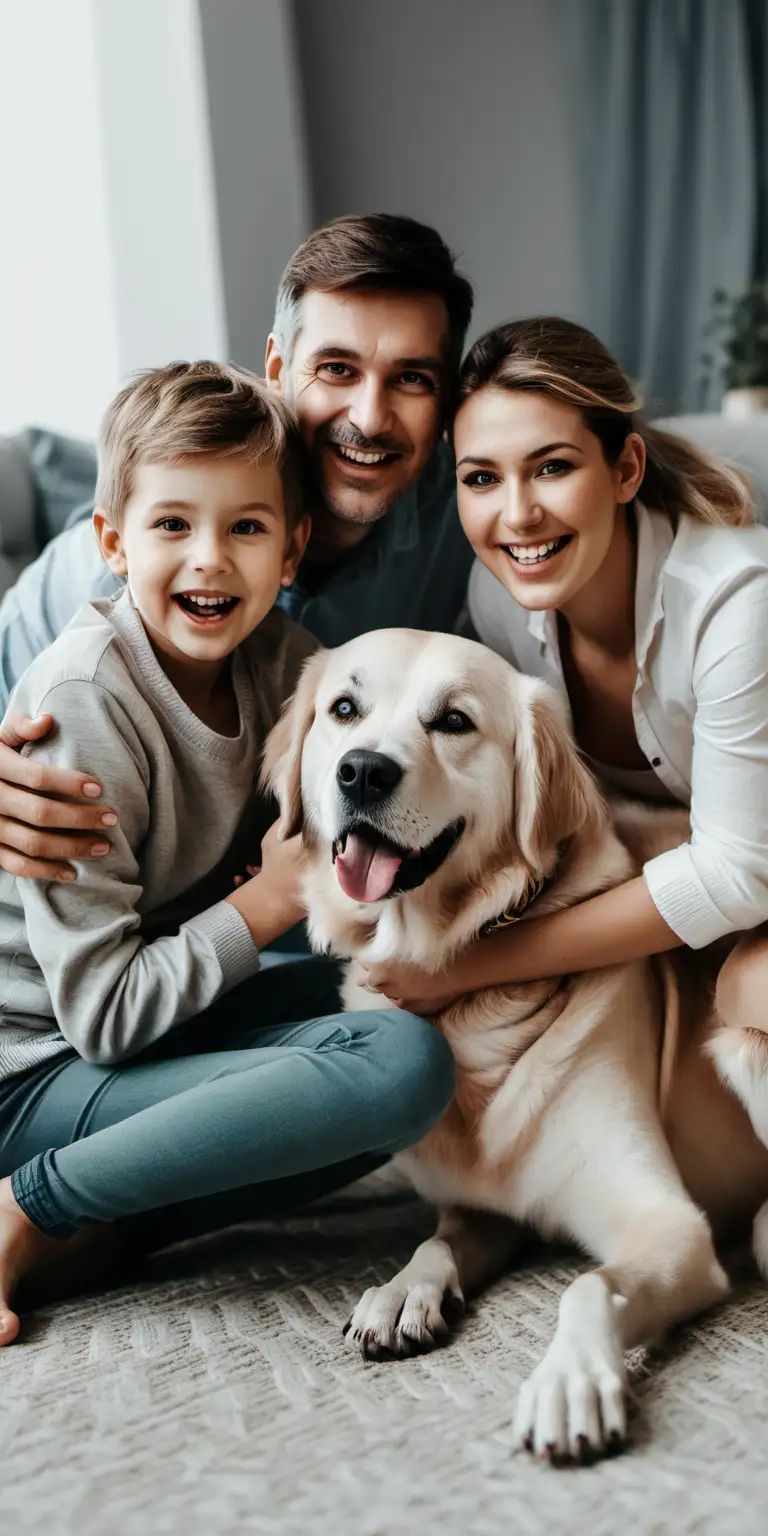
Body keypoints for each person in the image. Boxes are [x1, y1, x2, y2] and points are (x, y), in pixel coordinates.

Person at [0, 361, 454, 1343]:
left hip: (151, 1036)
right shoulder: (85, 698)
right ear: (113, 542)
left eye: (245, 528)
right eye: (173, 526)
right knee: (399, 1064)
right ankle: (29, 1205)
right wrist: (266, 905)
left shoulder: (288, 666)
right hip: (32, 1065)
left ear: (290, 549)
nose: (209, 560)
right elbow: (105, 1018)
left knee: (428, 1026)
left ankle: (115, 1233)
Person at [0, 212, 474, 882]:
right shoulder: (112, 578)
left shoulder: (472, 521)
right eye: (336, 369)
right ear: (278, 366)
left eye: (412, 379)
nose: (370, 418)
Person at [362, 316, 768, 1033]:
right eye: (481, 478)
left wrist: (467, 966)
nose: (517, 515)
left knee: (752, 992)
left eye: (552, 467)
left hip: (749, 886)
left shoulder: (737, 602)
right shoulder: (499, 597)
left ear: (625, 469)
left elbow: (736, 877)